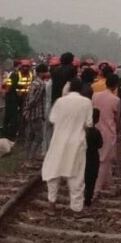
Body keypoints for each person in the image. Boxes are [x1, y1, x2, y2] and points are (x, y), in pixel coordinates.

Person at [41, 78, 93, 213]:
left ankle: (52, 206)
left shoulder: (60, 101)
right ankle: (77, 209)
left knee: (53, 172)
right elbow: (88, 124)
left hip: (58, 141)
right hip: (77, 143)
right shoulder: (87, 102)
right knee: (76, 176)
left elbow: (52, 119)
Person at [92, 73, 121, 197]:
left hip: (94, 130)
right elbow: (117, 119)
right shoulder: (116, 100)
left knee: (101, 160)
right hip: (108, 133)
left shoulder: (95, 95)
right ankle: (95, 191)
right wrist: (118, 131)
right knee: (103, 161)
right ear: (115, 86)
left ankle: (109, 186)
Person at [23, 63, 48, 165]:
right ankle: (30, 159)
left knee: (31, 135)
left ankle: (28, 157)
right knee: (39, 136)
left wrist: (26, 109)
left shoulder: (34, 82)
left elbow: (29, 97)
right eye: (45, 71)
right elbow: (34, 100)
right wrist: (27, 108)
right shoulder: (41, 84)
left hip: (31, 113)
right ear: (41, 72)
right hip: (36, 113)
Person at [4, 60, 33, 140]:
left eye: (27, 66)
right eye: (24, 66)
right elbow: (10, 86)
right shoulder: (15, 75)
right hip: (13, 97)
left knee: (23, 115)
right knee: (12, 115)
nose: (25, 68)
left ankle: (20, 131)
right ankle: (10, 132)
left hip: (25, 98)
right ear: (21, 67)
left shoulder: (31, 75)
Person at [84, 108, 103, 207]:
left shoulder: (84, 131)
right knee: (92, 178)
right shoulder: (96, 132)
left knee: (83, 176)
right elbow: (100, 145)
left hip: (83, 156)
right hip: (93, 156)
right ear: (97, 119)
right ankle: (88, 199)